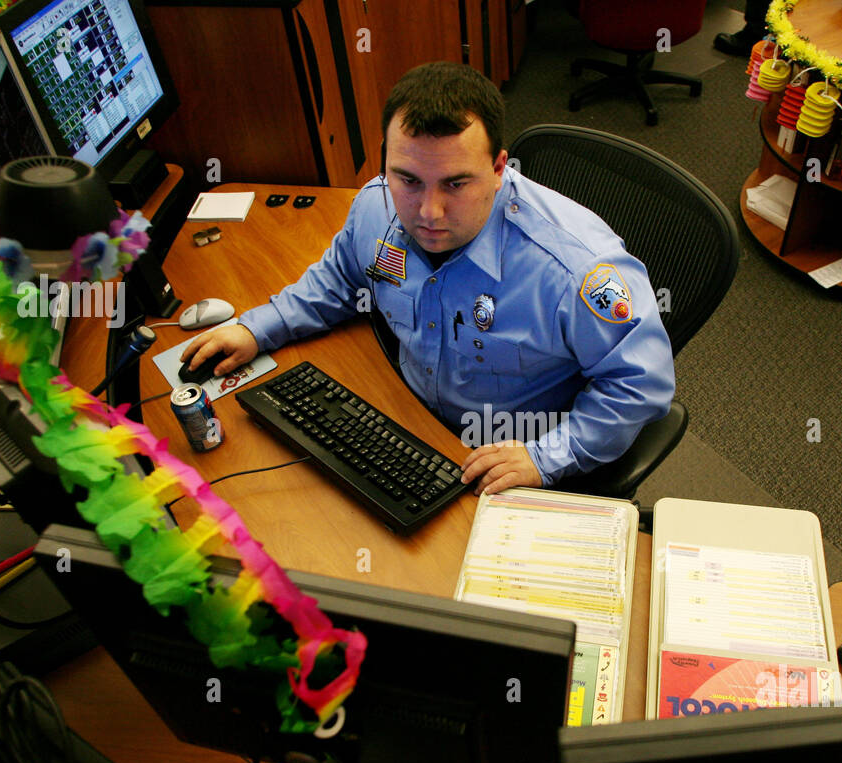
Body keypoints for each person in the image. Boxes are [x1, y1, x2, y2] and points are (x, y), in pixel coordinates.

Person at [181, 62, 674, 497]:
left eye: (456, 184)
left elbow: (639, 386)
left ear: (499, 167)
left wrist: (545, 458)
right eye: (408, 180)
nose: (428, 212)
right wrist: (256, 328)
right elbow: (339, 279)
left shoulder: (574, 271)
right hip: (406, 422)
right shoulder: (376, 206)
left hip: (508, 454)